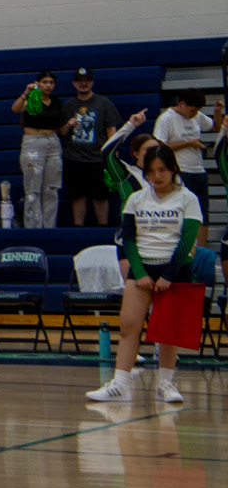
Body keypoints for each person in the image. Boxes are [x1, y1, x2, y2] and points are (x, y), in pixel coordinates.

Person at [87, 146, 203, 405]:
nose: (157, 176)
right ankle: (120, 384)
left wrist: (169, 276)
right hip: (142, 271)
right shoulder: (136, 200)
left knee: (168, 331)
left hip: (176, 270)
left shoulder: (188, 199)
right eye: (151, 171)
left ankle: (165, 384)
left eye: (162, 170)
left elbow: (187, 240)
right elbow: (128, 239)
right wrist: (139, 273)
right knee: (129, 325)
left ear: (173, 169)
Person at [154, 90, 221, 244]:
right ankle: (184, 251)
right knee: (183, 214)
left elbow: (216, 127)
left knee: (202, 216)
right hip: (181, 171)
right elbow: (160, 147)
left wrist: (217, 112)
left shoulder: (197, 116)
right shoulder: (166, 119)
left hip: (199, 170)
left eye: (197, 111)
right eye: (192, 110)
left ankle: (201, 252)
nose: (194, 114)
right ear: (182, 104)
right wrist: (189, 143)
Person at [59, 69, 120, 228]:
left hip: (97, 158)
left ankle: (103, 226)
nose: (83, 83)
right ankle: (78, 226)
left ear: (92, 82)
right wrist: (69, 124)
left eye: (86, 80)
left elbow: (111, 130)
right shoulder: (68, 106)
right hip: (73, 158)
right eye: (79, 80)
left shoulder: (104, 103)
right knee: (77, 196)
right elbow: (62, 132)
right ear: (74, 83)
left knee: (101, 196)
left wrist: (113, 154)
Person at [11, 70, 64, 228]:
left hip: (53, 142)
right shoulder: (33, 99)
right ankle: (33, 227)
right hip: (33, 141)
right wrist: (26, 92)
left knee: (51, 188)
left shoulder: (56, 102)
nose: (48, 85)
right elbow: (16, 108)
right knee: (33, 188)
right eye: (45, 82)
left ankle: (49, 226)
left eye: (51, 82)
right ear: (38, 83)